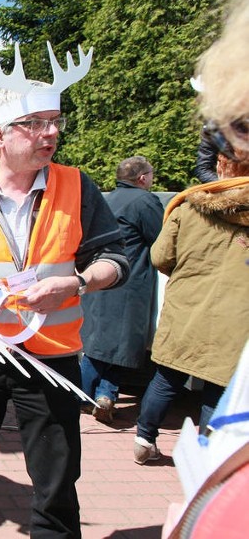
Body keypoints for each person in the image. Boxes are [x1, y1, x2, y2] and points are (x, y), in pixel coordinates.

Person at [0, 42, 129, 538]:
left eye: (54, 122)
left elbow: (116, 260)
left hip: (53, 356)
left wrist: (77, 282)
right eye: (35, 123)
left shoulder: (78, 186)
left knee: (57, 481)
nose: (51, 133)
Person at [133, 0, 249, 466]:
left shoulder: (186, 204)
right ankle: (207, 455)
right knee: (219, 388)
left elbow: (160, 257)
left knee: (166, 378)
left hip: (184, 314)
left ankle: (143, 437)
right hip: (233, 325)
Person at [79, 156, 163, 423]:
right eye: (150, 174)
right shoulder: (145, 201)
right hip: (129, 283)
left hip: (99, 280)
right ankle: (104, 394)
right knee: (122, 344)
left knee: (96, 340)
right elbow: (160, 242)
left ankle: (85, 395)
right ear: (142, 178)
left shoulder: (105, 199)